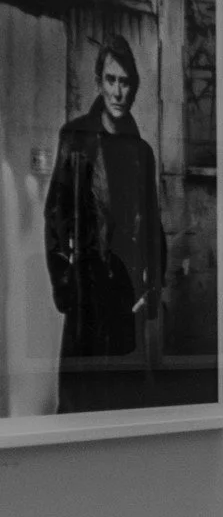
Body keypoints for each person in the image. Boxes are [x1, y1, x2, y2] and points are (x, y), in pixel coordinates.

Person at [44, 34, 166, 409]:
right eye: (111, 80)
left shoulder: (142, 152)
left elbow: (152, 225)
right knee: (79, 400)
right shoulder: (75, 138)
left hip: (124, 297)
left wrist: (153, 285)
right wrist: (64, 285)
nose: (117, 91)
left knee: (121, 401)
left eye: (125, 82)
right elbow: (55, 216)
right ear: (99, 82)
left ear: (134, 87)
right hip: (85, 294)